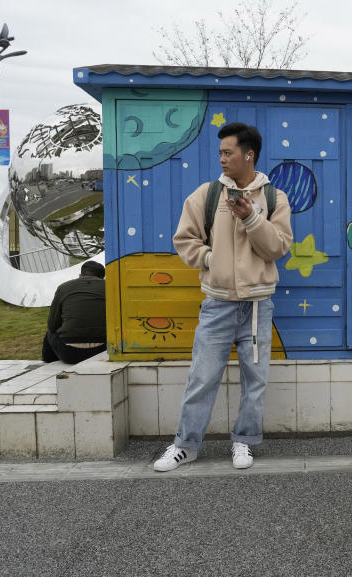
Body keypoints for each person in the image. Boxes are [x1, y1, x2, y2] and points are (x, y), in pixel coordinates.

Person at [153, 122, 293, 472]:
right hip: (217, 303)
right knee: (202, 376)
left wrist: (251, 219)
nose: (222, 159)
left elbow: (277, 248)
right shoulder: (206, 195)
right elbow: (185, 240)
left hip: (259, 305)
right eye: (220, 153)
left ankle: (244, 442)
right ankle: (186, 445)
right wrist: (211, 260)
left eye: (228, 152)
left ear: (249, 155)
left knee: (255, 381)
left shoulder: (275, 198)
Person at [42, 260, 107, 364]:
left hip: (69, 353)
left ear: (80, 275)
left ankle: (48, 365)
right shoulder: (109, 286)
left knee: (49, 334)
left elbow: (52, 325)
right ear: (102, 277)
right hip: (103, 351)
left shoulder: (63, 287)